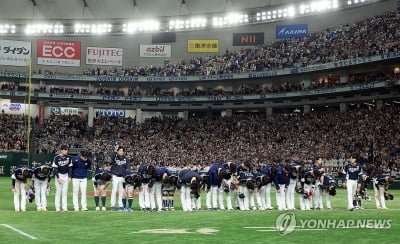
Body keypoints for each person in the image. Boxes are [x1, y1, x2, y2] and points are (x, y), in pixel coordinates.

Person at [52, 144, 72, 212]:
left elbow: (70, 168)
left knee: (65, 192)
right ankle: (57, 207)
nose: (66, 151)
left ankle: (64, 207)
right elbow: (55, 168)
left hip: (66, 175)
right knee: (58, 192)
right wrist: (58, 177)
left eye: (67, 150)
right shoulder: (56, 158)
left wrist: (69, 177)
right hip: (59, 175)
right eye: (65, 150)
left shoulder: (69, 157)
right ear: (61, 150)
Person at [109, 145, 131, 211]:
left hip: (122, 177)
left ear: (124, 152)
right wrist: (115, 152)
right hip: (115, 176)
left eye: (122, 151)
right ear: (118, 151)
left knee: (121, 192)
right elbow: (110, 160)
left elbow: (128, 167)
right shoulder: (115, 157)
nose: (121, 152)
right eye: (120, 151)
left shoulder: (126, 158)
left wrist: (126, 174)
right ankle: (112, 205)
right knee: (114, 190)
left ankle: (121, 205)